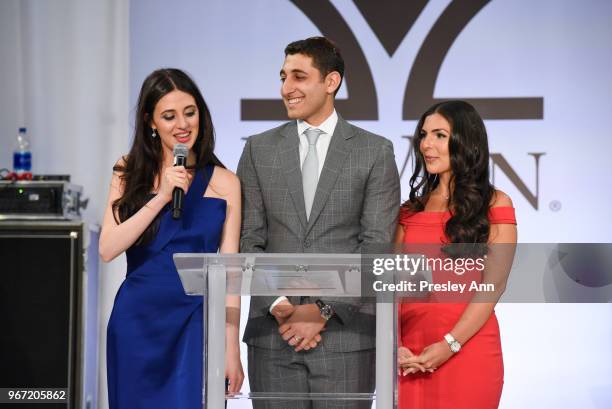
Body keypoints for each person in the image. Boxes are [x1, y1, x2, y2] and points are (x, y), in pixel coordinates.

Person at [237, 37, 400, 409]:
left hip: (346, 337)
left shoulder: (374, 151)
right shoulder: (258, 149)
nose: (286, 89)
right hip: (273, 336)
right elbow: (249, 239)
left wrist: (322, 309)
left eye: (298, 77)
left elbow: (375, 246)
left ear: (331, 82)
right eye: (282, 77)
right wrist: (280, 305)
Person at [99, 68, 244, 409]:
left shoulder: (225, 182)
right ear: (151, 122)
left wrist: (232, 346)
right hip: (137, 322)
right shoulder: (127, 169)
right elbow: (107, 248)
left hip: (196, 322)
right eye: (169, 116)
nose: (182, 124)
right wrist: (161, 196)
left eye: (189, 112)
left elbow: (232, 273)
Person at [396, 100, 517, 409]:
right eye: (423, 135)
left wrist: (450, 344)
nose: (426, 145)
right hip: (409, 356)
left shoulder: (495, 204)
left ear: (465, 141)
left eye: (439, 135)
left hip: (469, 350)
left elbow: (493, 287)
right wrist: (393, 346)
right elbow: (391, 286)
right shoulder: (409, 211)